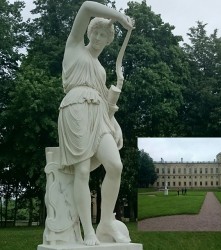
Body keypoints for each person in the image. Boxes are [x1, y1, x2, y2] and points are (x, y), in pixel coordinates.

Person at [57, 1, 133, 246]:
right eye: (96, 33)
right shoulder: (74, 47)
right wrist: (119, 17)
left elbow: (105, 101)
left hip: (100, 116)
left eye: (104, 35)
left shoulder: (100, 69)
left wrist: (115, 122)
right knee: (81, 171)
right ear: (89, 33)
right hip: (75, 108)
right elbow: (87, 7)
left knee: (115, 166)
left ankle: (104, 224)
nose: (99, 37)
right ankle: (87, 231)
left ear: (109, 41)